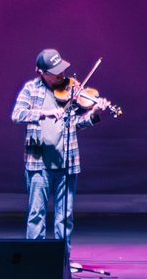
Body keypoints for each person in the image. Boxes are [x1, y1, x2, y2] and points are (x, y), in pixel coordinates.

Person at [11, 48, 113, 242]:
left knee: (64, 218)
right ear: (41, 72)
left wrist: (94, 114)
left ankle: (62, 257)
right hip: (38, 164)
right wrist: (44, 113)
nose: (61, 74)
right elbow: (17, 114)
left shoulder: (72, 90)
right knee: (36, 215)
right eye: (55, 72)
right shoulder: (31, 89)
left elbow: (76, 124)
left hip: (67, 163)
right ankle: (34, 256)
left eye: (62, 69)